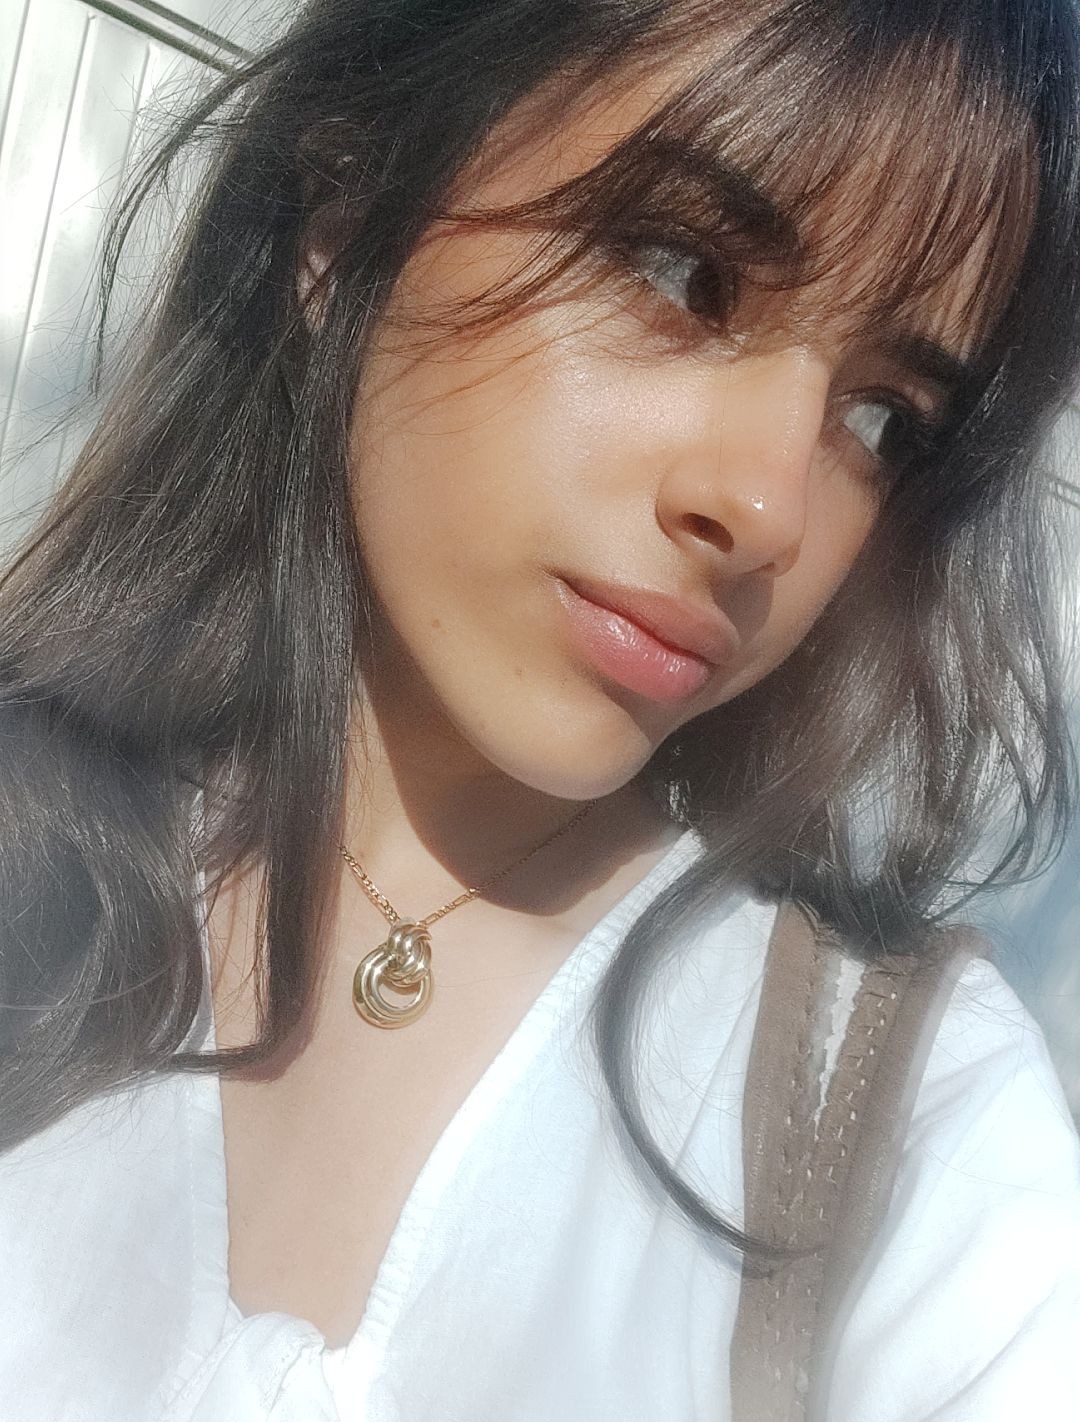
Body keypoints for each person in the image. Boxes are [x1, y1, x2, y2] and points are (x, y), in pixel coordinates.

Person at [0, 0, 1079, 1417]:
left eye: (883, 419)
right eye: (683, 270)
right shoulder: (33, 823)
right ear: (347, 212)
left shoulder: (909, 1138)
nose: (771, 509)